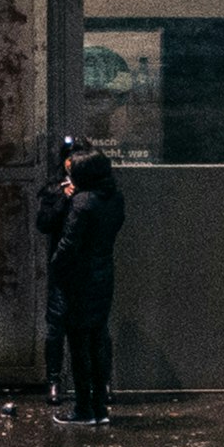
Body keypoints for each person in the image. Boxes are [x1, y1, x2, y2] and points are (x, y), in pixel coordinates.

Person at [36, 133, 129, 423]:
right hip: (102, 275)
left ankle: (84, 408)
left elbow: (68, 246)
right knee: (96, 337)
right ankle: (99, 404)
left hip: (77, 279)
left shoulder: (82, 203)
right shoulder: (112, 198)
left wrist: (58, 268)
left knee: (78, 341)